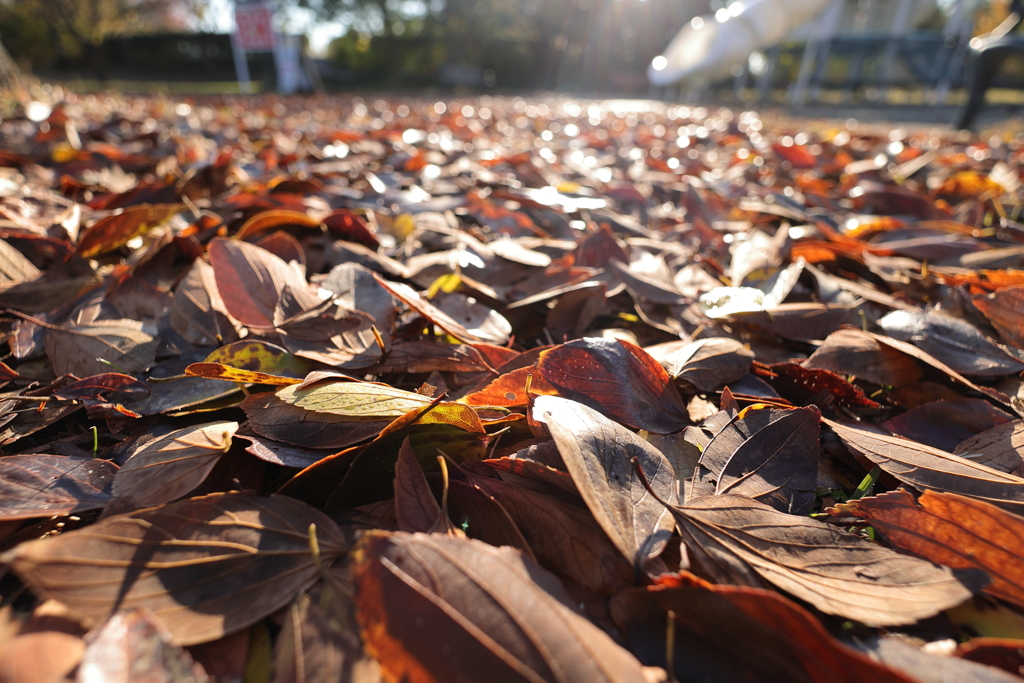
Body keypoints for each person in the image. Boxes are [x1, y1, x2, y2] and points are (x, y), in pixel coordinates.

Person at [955, 0, 1024, 129]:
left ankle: (965, 123)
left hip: (1009, 50)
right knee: (980, 52)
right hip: (993, 52)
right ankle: (965, 123)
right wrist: (992, 36)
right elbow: (1016, 17)